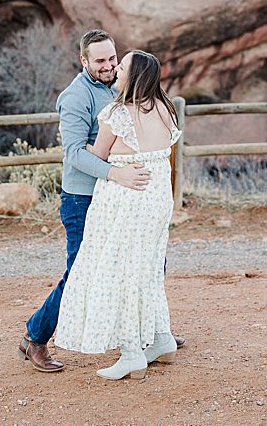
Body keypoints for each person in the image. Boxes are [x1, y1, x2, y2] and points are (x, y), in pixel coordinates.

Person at [18, 30, 156, 372]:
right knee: (80, 272)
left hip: (116, 200)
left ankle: (150, 334)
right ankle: (35, 338)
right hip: (82, 200)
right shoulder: (75, 97)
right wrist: (116, 173)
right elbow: (75, 154)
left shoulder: (119, 87)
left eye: (112, 59)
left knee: (134, 265)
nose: (109, 65)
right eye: (100, 61)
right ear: (84, 61)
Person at [54, 49, 181, 380]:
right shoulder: (166, 110)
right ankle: (162, 338)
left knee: (121, 272)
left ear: (133, 75)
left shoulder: (117, 113)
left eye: (122, 65)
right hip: (156, 198)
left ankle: (131, 353)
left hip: (126, 199)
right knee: (149, 268)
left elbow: (96, 154)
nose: (117, 69)